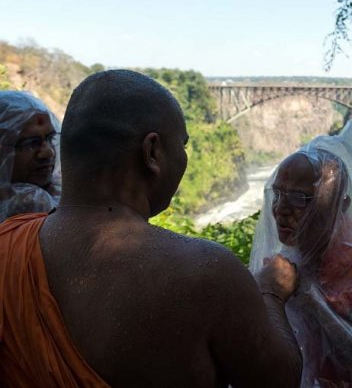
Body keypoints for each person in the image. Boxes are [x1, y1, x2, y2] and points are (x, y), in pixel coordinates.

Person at [0, 70, 302, 388]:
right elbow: (280, 379)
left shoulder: (8, 247)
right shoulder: (207, 272)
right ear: (152, 152)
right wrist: (271, 292)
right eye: (182, 145)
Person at [250, 117, 352, 388]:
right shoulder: (290, 261)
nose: (280, 209)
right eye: (278, 194)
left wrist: (303, 296)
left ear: (341, 203)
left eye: (299, 198)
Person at [0, 91, 61, 221]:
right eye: (31, 143)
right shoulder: (27, 205)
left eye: (50, 139)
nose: (48, 152)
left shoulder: (57, 192)